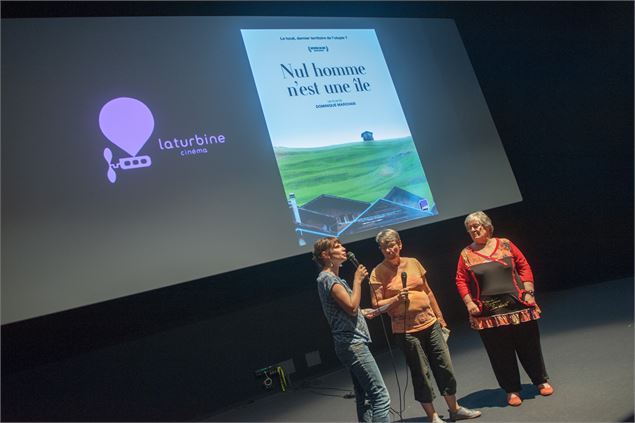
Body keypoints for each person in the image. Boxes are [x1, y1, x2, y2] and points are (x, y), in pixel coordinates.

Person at [369, 229, 481, 423]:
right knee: (421, 372)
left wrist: (440, 317)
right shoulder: (378, 272)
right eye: (384, 247)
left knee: (444, 366)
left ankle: (454, 409)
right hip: (406, 331)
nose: (389, 249)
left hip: (430, 323)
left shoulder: (413, 263)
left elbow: (428, 291)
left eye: (391, 244)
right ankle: (433, 416)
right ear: (380, 249)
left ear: (399, 244)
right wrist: (396, 298)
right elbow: (376, 304)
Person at [455, 211, 553, 406]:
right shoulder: (466, 254)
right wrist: (469, 303)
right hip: (489, 311)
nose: (473, 230)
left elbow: (524, 266)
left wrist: (529, 292)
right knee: (499, 351)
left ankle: (540, 380)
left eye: (477, 226)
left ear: (488, 227)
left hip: (518, 304)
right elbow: (460, 280)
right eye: (470, 228)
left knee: (529, 345)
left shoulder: (505, 244)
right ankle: (512, 389)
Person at [313, 237, 391, 422]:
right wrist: (357, 281)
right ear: (326, 255)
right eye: (337, 246)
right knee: (380, 397)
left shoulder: (332, 279)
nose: (343, 248)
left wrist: (363, 314)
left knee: (364, 396)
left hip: (349, 344)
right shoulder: (328, 278)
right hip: (353, 344)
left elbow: (348, 311)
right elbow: (351, 307)